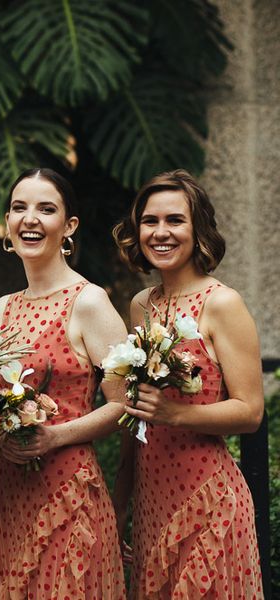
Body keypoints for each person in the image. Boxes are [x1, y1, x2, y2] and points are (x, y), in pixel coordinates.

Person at [113, 169, 264, 599]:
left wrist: (176, 413)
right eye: (149, 221)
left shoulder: (223, 304)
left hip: (208, 500)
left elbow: (250, 411)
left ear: (198, 228)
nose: (160, 233)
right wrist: (120, 504)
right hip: (152, 503)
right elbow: (136, 415)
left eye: (174, 220)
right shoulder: (141, 304)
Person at [0, 168, 127, 599]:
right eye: (19, 207)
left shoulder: (89, 301)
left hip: (70, 491)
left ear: (68, 227)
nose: (30, 218)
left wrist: (53, 436)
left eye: (45, 209)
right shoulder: (2, 309)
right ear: (8, 224)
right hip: (15, 492)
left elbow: (125, 403)